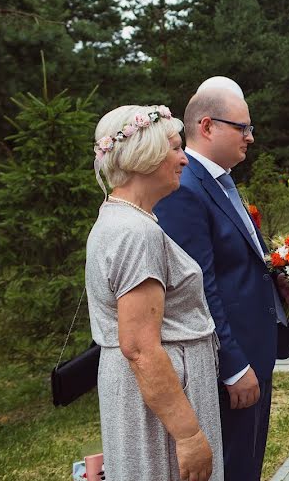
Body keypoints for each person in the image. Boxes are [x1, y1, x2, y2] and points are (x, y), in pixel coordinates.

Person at [155, 83, 289, 480]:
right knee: (234, 466)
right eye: (243, 127)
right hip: (232, 362)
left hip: (258, 348)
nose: (250, 137)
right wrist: (233, 366)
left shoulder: (220, 180)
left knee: (248, 462)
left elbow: (236, 263)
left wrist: (279, 284)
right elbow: (199, 287)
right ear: (207, 126)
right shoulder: (185, 189)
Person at [86, 104, 222, 481]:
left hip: (148, 394)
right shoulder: (135, 233)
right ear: (144, 155)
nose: (184, 159)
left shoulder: (121, 217)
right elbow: (141, 348)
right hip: (161, 403)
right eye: (176, 148)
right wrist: (189, 435)